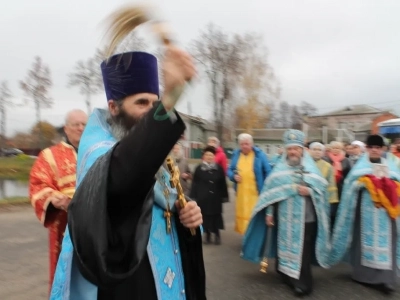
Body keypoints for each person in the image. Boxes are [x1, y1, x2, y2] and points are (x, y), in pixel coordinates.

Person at [50, 48, 206, 300]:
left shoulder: (155, 156)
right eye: (142, 103)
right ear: (114, 107)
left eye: (155, 103)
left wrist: (187, 215)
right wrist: (169, 100)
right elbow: (125, 177)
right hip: (125, 284)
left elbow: (167, 203)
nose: (151, 111)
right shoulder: (99, 153)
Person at [241, 129, 331, 297]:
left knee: (302, 251)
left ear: (302, 150)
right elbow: (270, 194)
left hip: (306, 219)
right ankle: (286, 276)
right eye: (290, 149)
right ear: (286, 150)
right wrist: (268, 213)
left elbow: (322, 190)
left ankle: (303, 284)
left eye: (296, 148)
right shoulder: (278, 171)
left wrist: (309, 191)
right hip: (284, 218)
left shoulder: (312, 170)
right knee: (285, 247)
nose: (292, 152)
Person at [327, 135, 400, 294]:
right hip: (364, 213)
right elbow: (350, 185)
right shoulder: (360, 167)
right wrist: (363, 183)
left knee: (387, 245)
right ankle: (363, 276)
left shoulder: (391, 166)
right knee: (363, 242)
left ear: (382, 149)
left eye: (378, 147)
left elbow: (397, 182)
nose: (374, 150)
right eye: (371, 147)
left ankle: (386, 280)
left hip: (386, 215)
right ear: (367, 149)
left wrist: (389, 183)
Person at [29, 109, 87, 292]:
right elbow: (38, 184)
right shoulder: (50, 155)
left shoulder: (98, 152)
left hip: (96, 229)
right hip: (64, 227)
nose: (80, 128)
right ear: (66, 128)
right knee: (65, 280)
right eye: (75, 124)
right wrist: (56, 199)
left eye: (84, 124)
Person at [227, 133, 271, 234]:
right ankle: (245, 238)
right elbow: (229, 169)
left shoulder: (260, 155)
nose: (244, 146)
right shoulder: (236, 154)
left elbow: (268, 171)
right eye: (242, 144)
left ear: (252, 144)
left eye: (247, 144)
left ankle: (254, 239)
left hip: (255, 193)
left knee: (254, 216)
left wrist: (266, 187)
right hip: (241, 193)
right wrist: (233, 176)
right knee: (243, 215)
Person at [190, 146, 229, 245]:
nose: (209, 157)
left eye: (211, 155)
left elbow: (223, 183)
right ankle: (207, 235)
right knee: (205, 217)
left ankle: (217, 235)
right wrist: (193, 196)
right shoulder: (199, 168)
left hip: (216, 197)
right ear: (204, 156)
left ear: (214, 157)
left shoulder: (218, 168)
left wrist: (224, 196)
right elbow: (194, 183)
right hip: (203, 198)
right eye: (207, 155)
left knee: (216, 216)